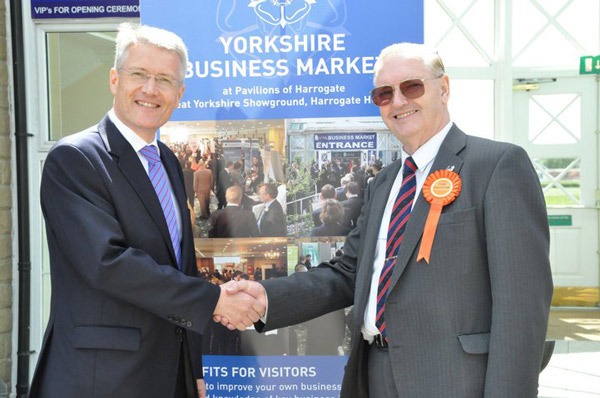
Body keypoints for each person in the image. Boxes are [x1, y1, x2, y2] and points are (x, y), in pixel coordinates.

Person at [223, 42, 553, 397]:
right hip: (375, 375)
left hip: (457, 381)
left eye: (412, 86)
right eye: (384, 94)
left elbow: (521, 303)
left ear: (443, 88)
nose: (398, 101)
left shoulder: (497, 165)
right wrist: (264, 297)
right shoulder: (383, 181)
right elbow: (348, 272)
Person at [30, 23, 264, 398]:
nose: (150, 89)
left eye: (164, 80)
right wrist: (215, 300)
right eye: (138, 74)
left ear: (180, 93)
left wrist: (194, 369)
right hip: (102, 379)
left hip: (169, 376)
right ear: (114, 79)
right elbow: (107, 262)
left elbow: (179, 265)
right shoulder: (74, 159)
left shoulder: (168, 162)